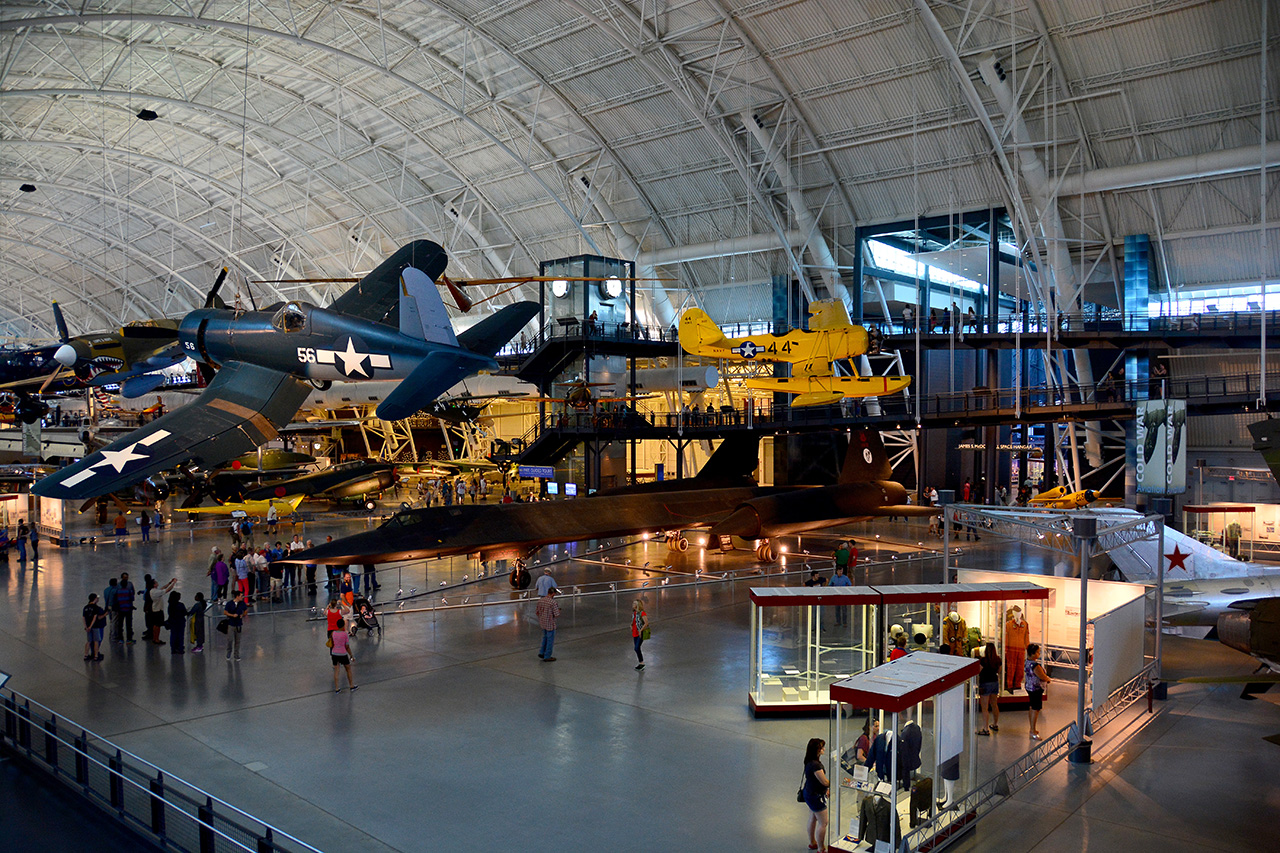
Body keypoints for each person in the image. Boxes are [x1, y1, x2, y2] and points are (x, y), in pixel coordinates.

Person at [801, 737, 830, 853]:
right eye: (821, 747)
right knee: (823, 823)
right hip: (816, 797)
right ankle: (821, 848)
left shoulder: (808, 761)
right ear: (817, 750)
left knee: (813, 817)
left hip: (809, 793)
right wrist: (831, 784)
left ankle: (813, 842)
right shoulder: (816, 766)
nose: (823, 749)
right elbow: (824, 781)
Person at [1024, 643, 1049, 739]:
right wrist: (1047, 679)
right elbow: (1042, 676)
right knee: (1035, 709)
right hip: (1036, 689)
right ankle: (1033, 730)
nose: (1039, 654)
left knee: (1032, 707)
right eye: (1038, 652)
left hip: (1029, 687)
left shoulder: (1027, 662)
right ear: (1033, 653)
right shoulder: (1035, 665)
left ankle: (1032, 728)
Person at [976, 641, 1001, 735]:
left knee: (985, 708)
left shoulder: (983, 660)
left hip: (985, 683)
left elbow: (978, 671)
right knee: (994, 705)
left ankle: (985, 729)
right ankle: (995, 724)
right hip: (995, 683)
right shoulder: (998, 659)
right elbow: (999, 671)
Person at [330, 617, 358, 692]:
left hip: (334, 653)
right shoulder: (345, 634)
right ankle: (351, 686)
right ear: (343, 625)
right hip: (342, 654)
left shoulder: (333, 633)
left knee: (336, 670)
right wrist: (351, 655)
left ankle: (337, 688)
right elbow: (347, 647)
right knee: (348, 669)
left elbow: (332, 644)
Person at [147, 576, 177, 644]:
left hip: (154, 609)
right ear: (154, 585)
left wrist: (170, 582)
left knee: (155, 625)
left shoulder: (153, 591)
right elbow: (167, 590)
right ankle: (157, 639)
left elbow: (163, 588)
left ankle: (154, 638)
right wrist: (174, 583)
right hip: (158, 611)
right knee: (158, 625)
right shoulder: (156, 592)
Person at [536, 586, 560, 662]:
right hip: (550, 624)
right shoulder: (553, 602)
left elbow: (537, 612)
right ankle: (547, 656)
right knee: (550, 640)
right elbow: (556, 614)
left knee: (544, 638)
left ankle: (542, 652)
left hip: (543, 623)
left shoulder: (541, 601)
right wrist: (559, 611)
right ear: (553, 594)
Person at [224, 590, 248, 661]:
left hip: (238, 625)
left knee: (238, 641)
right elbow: (225, 612)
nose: (242, 597)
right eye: (241, 596)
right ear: (237, 596)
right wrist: (232, 615)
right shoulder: (229, 604)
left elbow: (246, 610)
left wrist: (242, 615)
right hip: (231, 624)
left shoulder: (242, 603)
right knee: (230, 639)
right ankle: (229, 652)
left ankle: (236, 654)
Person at [83, 593, 106, 661]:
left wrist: (86, 627)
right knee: (96, 641)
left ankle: (86, 655)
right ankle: (96, 656)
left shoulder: (86, 607)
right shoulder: (96, 608)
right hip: (95, 626)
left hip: (87, 627)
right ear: (95, 599)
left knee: (89, 641)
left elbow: (83, 617)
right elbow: (95, 618)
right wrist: (91, 626)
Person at [116, 573, 137, 644]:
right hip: (128, 609)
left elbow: (117, 599)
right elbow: (132, 598)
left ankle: (120, 639)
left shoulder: (118, 591)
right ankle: (129, 639)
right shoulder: (129, 590)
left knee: (120, 624)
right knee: (129, 624)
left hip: (121, 609)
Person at [630, 598, 649, 671]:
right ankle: (641, 663)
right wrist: (631, 625)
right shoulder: (634, 613)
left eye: (634, 604)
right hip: (635, 632)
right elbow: (634, 621)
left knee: (636, 648)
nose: (633, 605)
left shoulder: (642, 613)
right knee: (637, 648)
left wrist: (641, 630)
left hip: (640, 633)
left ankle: (642, 663)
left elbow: (646, 623)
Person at [167, 590, 188, 654]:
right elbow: (184, 613)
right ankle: (180, 648)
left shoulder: (170, 606)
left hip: (173, 622)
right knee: (180, 636)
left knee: (173, 635)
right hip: (180, 622)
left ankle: (173, 649)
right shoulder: (180, 605)